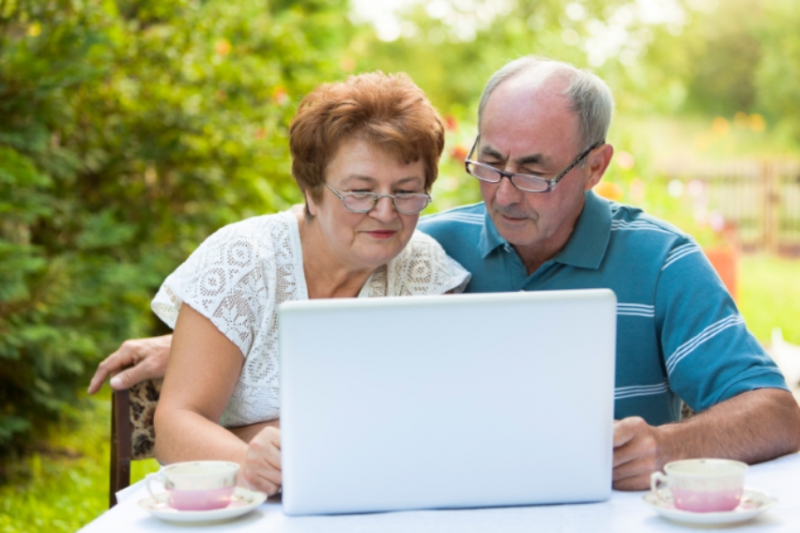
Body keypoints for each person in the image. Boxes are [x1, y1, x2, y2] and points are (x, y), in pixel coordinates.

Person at [90, 57, 800, 491]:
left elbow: (776, 411)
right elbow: (320, 291)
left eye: (534, 170)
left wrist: (665, 446)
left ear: (596, 166)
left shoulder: (658, 260)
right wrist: (202, 344)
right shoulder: (435, 241)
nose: (502, 193)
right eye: (489, 161)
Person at [115, 72, 470, 496]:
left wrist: (265, 432)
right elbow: (176, 427)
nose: (386, 212)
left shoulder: (428, 275)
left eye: (407, 191)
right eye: (360, 192)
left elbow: (429, 425)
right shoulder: (242, 259)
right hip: (241, 501)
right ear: (311, 191)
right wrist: (248, 459)